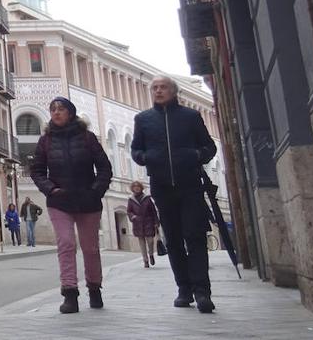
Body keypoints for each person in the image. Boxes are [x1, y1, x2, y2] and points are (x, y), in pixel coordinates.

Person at [132, 76, 218, 314]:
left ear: (174, 92)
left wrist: (194, 156)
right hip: (161, 187)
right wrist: (146, 158)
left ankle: (202, 291)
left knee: (195, 236)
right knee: (173, 239)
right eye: (155, 88)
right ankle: (184, 288)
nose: (158, 91)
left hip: (190, 185)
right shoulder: (143, 120)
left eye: (163, 87)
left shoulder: (191, 117)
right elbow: (136, 150)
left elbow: (209, 147)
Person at [30, 96, 112, 314]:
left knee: (91, 248)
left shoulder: (87, 138)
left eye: (61, 109)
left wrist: (96, 191)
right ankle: (70, 293)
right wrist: (51, 189)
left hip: (88, 200)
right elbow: (37, 171)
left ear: (70, 112)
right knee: (66, 244)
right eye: (53, 109)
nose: (56, 112)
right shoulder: (45, 141)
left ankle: (94, 288)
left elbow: (104, 168)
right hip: (59, 201)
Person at [127, 180, 160, 267]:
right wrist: (133, 217)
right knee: (142, 243)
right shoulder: (131, 200)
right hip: (138, 223)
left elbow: (153, 211)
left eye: (138, 187)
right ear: (132, 189)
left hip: (148, 222)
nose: (136, 188)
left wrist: (156, 222)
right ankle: (145, 260)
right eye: (134, 187)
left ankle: (151, 254)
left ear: (141, 188)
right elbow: (129, 211)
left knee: (150, 241)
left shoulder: (147, 198)